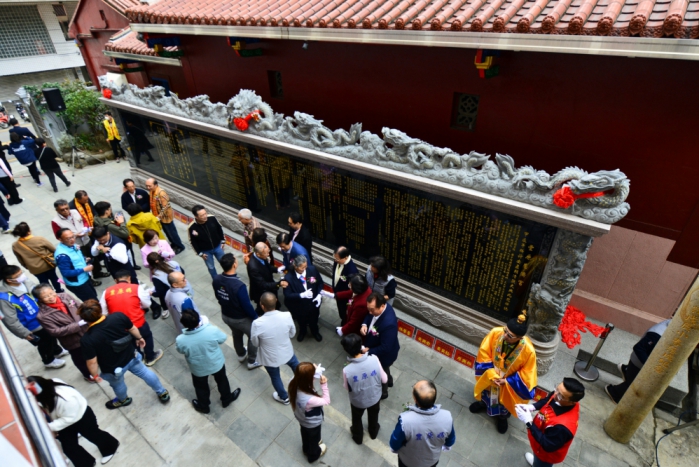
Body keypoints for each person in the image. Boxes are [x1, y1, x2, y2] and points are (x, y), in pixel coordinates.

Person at [79, 299, 170, 409]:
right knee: (145, 373)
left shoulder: (87, 339)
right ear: (100, 309)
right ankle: (162, 392)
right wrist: (139, 338)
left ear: (84, 319)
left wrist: (95, 376)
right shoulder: (118, 316)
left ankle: (123, 400)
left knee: (118, 385)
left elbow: (92, 362)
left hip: (112, 369)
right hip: (132, 356)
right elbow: (132, 328)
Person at [26, 376, 119, 467]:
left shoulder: (66, 400)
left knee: (93, 435)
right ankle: (86, 463)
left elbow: (68, 419)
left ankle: (111, 447)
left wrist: (48, 427)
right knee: (69, 447)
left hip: (81, 417)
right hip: (66, 417)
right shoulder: (52, 384)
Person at [470, 312, 537, 434]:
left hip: (507, 382)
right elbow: (484, 352)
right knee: (487, 392)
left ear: (520, 338)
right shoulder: (496, 332)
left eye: (510, 335)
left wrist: (507, 381)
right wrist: (491, 374)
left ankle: (502, 418)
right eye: (505, 330)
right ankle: (483, 404)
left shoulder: (529, 350)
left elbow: (528, 373)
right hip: (491, 373)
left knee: (503, 402)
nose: (505, 335)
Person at [176, 308, 242, 414]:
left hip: (198, 369)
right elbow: (223, 338)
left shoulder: (180, 340)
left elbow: (180, 350)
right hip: (216, 363)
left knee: (200, 387)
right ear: (198, 319)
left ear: (184, 324)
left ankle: (204, 406)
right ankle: (226, 399)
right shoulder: (211, 330)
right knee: (222, 381)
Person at [0, 265, 67, 369]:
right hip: (33, 325)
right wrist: (24, 333)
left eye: (21, 273)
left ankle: (57, 351)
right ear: (9, 280)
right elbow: (10, 320)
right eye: (18, 276)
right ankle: (48, 360)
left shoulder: (25, 281)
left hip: (44, 317)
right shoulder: (5, 298)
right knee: (44, 343)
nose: (22, 276)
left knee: (51, 335)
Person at [99, 270, 164, 367]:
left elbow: (103, 312)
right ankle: (150, 357)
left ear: (115, 280)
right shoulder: (137, 288)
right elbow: (147, 304)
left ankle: (139, 357)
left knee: (132, 342)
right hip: (138, 322)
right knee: (146, 336)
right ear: (129, 278)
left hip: (121, 327)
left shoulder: (106, 292)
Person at [517, 378, 585, 467]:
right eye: (557, 389)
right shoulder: (559, 395)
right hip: (540, 434)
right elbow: (548, 400)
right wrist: (532, 407)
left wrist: (529, 422)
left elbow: (547, 444)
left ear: (572, 403)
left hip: (546, 455)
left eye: (560, 396)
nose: (555, 394)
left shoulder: (563, 428)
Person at [389, 380, 456, 467]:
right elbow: (450, 440)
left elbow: (395, 442)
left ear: (415, 399)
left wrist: (395, 449)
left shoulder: (405, 421)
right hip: (431, 461)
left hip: (408, 462)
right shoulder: (447, 417)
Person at [33, 284, 91, 381]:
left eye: (51, 293)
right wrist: (77, 325)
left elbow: (80, 306)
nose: (51, 297)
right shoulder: (42, 316)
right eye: (46, 296)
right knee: (80, 359)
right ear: (40, 299)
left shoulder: (65, 296)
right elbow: (55, 332)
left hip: (87, 331)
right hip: (73, 340)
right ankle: (87, 375)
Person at [604, 319, 671, 404]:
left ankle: (627, 370)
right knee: (635, 384)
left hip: (642, 360)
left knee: (635, 377)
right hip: (639, 362)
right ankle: (614, 393)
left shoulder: (669, 324)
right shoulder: (657, 334)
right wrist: (650, 367)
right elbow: (639, 348)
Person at [212, 253, 261, 370]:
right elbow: (247, 306)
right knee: (253, 335)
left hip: (226, 315)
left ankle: (241, 354)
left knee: (236, 334)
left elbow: (218, 297)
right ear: (234, 265)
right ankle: (252, 360)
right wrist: (255, 318)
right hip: (240, 319)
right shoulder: (239, 285)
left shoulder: (217, 279)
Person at [250, 292, 299, 405]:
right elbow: (292, 334)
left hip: (269, 357)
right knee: (296, 366)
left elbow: (255, 343)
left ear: (262, 306)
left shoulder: (257, 323)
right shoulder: (287, 315)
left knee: (275, 376)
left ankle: (284, 397)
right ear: (276, 300)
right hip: (287, 351)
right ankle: (303, 386)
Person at [341, 333, 387, 444]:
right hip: (375, 397)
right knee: (374, 415)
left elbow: (347, 387)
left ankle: (358, 437)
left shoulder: (347, 370)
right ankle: (373, 431)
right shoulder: (374, 359)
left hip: (358, 401)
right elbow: (385, 379)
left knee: (357, 418)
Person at [52, 199, 107, 281]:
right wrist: (75, 235)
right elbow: (58, 236)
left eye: (67, 208)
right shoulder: (55, 221)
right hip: (75, 244)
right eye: (62, 210)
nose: (66, 211)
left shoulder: (75, 212)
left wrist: (86, 228)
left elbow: (84, 221)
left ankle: (97, 272)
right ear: (57, 210)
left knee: (93, 257)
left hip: (86, 239)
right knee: (82, 261)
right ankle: (89, 279)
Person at [361, 293, 400, 399]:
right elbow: (369, 315)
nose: (370, 312)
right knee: (385, 370)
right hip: (377, 347)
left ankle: (384, 392)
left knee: (381, 373)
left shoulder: (388, 324)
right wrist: (364, 324)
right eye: (368, 309)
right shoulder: (377, 309)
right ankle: (390, 381)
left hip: (384, 356)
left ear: (382, 306)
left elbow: (386, 347)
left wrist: (369, 351)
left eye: (372, 310)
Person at [289, 362, 329, 462]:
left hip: (301, 418)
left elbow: (304, 375)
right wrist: (324, 385)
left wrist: (312, 370)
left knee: (305, 433)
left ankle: (305, 448)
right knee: (314, 438)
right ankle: (313, 455)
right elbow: (326, 401)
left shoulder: (293, 382)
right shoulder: (309, 399)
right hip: (312, 423)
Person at [11, 222, 64, 292]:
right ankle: (59, 290)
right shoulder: (39, 239)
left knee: (43, 281)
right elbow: (54, 250)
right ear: (29, 231)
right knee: (54, 277)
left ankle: (49, 292)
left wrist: (27, 267)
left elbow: (20, 260)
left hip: (34, 269)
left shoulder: (15, 245)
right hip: (47, 264)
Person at [283, 255, 325, 342]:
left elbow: (320, 283)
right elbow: (287, 295)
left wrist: (319, 295)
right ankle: (303, 332)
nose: (305, 269)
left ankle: (315, 332)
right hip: (300, 306)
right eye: (302, 267)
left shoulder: (312, 270)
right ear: (295, 266)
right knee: (301, 321)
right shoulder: (288, 278)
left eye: (306, 266)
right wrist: (302, 295)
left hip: (313, 304)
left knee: (314, 320)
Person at [93, 201, 141, 270]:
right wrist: (122, 223)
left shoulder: (96, 219)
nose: (111, 210)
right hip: (118, 245)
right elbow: (125, 233)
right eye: (109, 209)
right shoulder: (109, 225)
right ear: (106, 211)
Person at [54, 228, 99, 301]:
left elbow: (74, 259)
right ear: (60, 239)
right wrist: (84, 269)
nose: (72, 240)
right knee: (92, 302)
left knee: (94, 297)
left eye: (73, 236)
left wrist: (84, 259)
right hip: (78, 283)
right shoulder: (62, 256)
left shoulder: (72, 245)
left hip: (85, 278)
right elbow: (66, 272)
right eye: (68, 238)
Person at [145, 177, 185, 253]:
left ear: (155, 185)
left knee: (171, 232)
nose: (148, 187)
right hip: (158, 216)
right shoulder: (151, 192)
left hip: (166, 217)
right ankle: (174, 243)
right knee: (167, 232)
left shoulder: (161, 193)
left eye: (149, 186)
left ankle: (180, 246)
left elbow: (166, 206)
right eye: (147, 186)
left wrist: (159, 216)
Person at [188, 205, 226, 279]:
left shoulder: (212, 218)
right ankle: (216, 280)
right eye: (202, 215)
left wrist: (222, 241)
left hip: (218, 247)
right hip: (206, 251)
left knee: (225, 263)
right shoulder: (192, 227)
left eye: (205, 213)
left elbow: (219, 228)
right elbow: (193, 242)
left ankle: (231, 277)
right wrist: (200, 253)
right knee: (211, 267)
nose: (205, 216)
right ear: (196, 216)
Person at [247, 241, 285, 314]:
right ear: (258, 254)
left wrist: (277, 269)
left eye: (268, 251)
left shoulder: (261, 256)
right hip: (262, 292)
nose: (268, 254)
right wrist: (278, 284)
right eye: (266, 253)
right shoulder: (253, 267)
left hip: (269, 285)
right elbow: (263, 285)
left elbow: (267, 266)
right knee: (264, 309)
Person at [147, 252, 187, 319]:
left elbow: (161, 293)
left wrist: (152, 293)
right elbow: (183, 272)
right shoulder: (173, 263)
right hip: (186, 287)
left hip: (176, 295)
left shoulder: (156, 276)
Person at [331, 246, 358, 324]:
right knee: (341, 311)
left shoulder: (352, 270)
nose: (335, 260)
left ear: (345, 257)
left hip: (346, 297)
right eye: (334, 258)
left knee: (345, 313)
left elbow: (353, 290)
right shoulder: (337, 261)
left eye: (337, 259)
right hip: (338, 293)